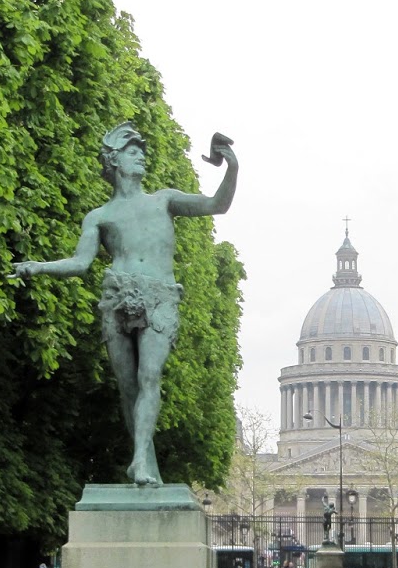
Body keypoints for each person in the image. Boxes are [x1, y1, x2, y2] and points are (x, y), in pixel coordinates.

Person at [14, 124, 238, 486]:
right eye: (133, 152)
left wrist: (232, 167)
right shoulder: (99, 216)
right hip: (116, 295)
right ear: (114, 160)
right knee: (127, 387)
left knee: (149, 376)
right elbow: (80, 263)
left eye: (142, 151)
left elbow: (217, 205)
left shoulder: (163, 200)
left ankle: (140, 461)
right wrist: (38, 267)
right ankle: (144, 462)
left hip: (158, 296)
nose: (142, 156)